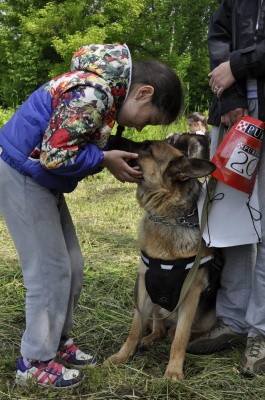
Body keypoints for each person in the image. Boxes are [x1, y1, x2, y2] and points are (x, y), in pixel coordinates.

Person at [0, 43, 183, 389]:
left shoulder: (102, 94)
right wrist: (103, 160)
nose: (144, 130)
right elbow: (55, 156)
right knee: (48, 271)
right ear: (143, 93)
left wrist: (115, 150)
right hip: (22, 176)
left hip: (38, 179)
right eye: (151, 120)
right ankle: (34, 362)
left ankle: (57, 342)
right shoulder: (93, 93)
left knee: (72, 264)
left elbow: (84, 135)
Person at [186, 0, 265, 376]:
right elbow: (219, 36)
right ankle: (232, 320)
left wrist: (240, 64)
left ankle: (260, 332)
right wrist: (230, 96)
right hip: (232, 115)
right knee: (229, 220)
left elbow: (233, 59)